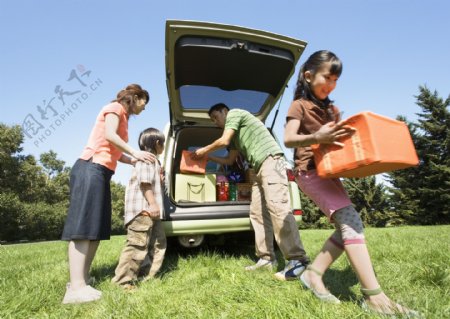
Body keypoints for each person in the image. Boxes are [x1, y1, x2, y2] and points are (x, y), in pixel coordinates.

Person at [284, 50, 420, 316]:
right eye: (328, 78)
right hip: (308, 172)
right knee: (350, 220)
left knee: (347, 225)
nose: (332, 85)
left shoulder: (331, 108)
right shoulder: (299, 105)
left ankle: (313, 274)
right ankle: (375, 298)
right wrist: (316, 136)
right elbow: (289, 138)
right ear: (309, 75)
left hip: (329, 172)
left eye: (336, 80)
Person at [193, 103, 310, 281]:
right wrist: (208, 157)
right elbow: (230, 160)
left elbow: (223, 140)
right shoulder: (234, 138)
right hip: (257, 169)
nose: (216, 122)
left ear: (224, 111)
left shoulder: (235, 113)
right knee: (257, 214)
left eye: (216, 117)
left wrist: (203, 150)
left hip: (271, 160)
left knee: (277, 208)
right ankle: (265, 258)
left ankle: (298, 260)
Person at [61, 84, 154, 304]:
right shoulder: (115, 108)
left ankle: (82, 279)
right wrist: (135, 151)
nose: (144, 108)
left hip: (102, 172)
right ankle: (75, 288)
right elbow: (110, 135)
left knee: (94, 230)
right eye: (144, 103)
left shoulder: (124, 118)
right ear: (136, 97)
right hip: (90, 167)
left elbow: (115, 151)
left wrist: (133, 160)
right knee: (83, 229)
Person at [111, 128, 167, 289]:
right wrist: (153, 204)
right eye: (162, 144)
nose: (163, 147)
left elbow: (152, 182)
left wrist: (160, 180)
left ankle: (147, 276)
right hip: (143, 210)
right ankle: (123, 281)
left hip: (151, 211)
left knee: (158, 243)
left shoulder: (154, 161)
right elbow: (144, 182)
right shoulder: (146, 160)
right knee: (137, 245)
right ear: (157, 143)